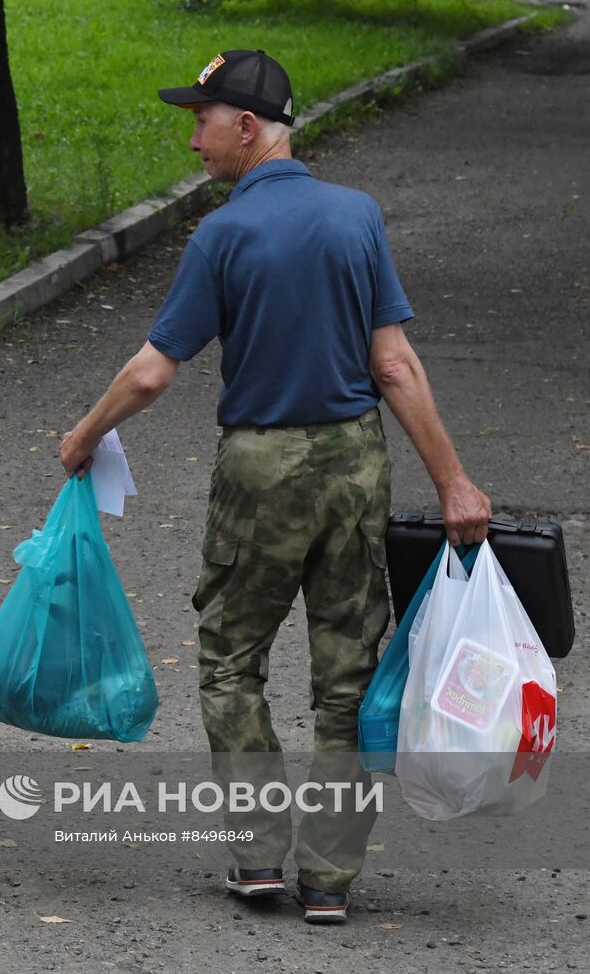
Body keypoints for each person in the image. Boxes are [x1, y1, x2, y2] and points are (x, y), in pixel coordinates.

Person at [59, 50, 491, 924]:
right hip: (353, 462)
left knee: (230, 660)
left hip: (261, 469)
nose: (193, 139)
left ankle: (259, 860)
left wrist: (82, 436)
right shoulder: (357, 218)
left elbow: (151, 375)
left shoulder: (223, 235)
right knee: (349, 673)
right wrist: (455, 484)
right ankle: (330, 880)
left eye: (203, 121)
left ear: (247, 127)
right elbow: (394, 365)